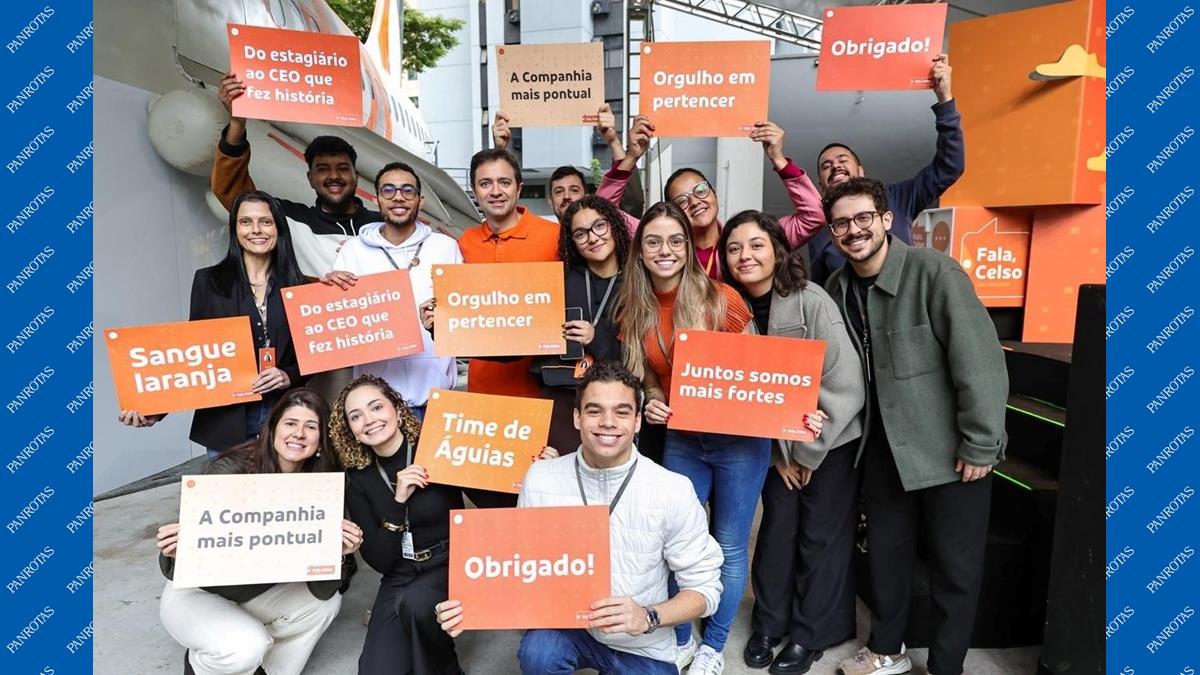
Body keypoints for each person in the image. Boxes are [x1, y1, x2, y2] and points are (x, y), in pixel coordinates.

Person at [822, 178, 1007, 675]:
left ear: (886, 219)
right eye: (841, 223)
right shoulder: (837, 288)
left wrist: (981, 443)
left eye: (864, 218)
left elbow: (980, 363)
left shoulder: (935, 272)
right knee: (885, 559)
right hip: (882, 453)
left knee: (955, 569)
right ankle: (887, 650)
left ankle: (947, 666)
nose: (854, 230)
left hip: (950, 452)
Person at [435, 360, 724, 675]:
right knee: (539, 652)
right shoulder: (541, 478)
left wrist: (647, 616)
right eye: (594, 410)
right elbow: (516, 568)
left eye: (622, 412)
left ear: (638, 421)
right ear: (577, 417)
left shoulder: (673, 489)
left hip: (642, 643)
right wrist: (470, 605)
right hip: (569, 630)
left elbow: (705, 589)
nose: (608, 422)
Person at [613, 201, 797, 674]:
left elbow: (764, 373)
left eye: (676, 240)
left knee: (729, 545)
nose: (665, 250)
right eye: (653, 241)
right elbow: (649, 376)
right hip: (683, 440)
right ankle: (678, 639)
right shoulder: (635, 309)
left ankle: (713, 647)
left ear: (688, 248)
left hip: (740, 444)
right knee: (678, 543)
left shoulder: (723, 299)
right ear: (640, 251)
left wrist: (796, 417)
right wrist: (653, 398)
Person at [719, 211, 865, 674]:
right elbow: (739, 393)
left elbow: (846, 386)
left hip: (831, 442)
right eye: (734, 248)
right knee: (777, 534)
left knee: (820, 538)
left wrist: (805, 453)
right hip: (772, 451)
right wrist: (781, 456)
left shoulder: (811, 301)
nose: (745, 256)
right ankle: (769, 623)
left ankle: (808, 635)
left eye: (756, 245)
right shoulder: (725, 309)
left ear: (778, 251)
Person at [331, 373, 556, 674]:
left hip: (451, 562)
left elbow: (496, 505)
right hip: (400, 572)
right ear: (352, 432)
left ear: (397, 410)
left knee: (416, 603)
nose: (369, 420)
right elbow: (380, 560)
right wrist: (399, 502)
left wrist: (535, 473)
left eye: (376, 407)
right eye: (356, 416)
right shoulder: (357, 478)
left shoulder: (438, 447)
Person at [155, 388, 363, 675]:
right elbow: (177, 569)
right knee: (247, 647)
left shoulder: (324, 488)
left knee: (324, 606)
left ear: (321, 440)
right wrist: (178, 550)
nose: (299, 433)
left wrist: (337, 554)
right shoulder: (232, 469)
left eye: (311, 426)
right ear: (273, 428)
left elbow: (323, 590)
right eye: (291, 423)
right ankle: (203, 663)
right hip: (200, 593)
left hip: (261, 593)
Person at [118, 191, 309, 459]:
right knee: (228, 487)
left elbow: (316, 351)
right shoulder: (209, 282)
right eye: (245, 222)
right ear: (234, 229)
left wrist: (289, 375)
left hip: (285, 415)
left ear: (279, 228)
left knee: (285, 488)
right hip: (226, 421)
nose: (256, 230)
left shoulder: (300, 286)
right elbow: (194, 354)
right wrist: (154, 409)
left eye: (266, 221)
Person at [595, 116, 826, 279]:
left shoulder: (749, 240)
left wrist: (779, 159)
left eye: (701, 190)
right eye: (682, 200)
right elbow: (600, 215)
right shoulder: (657, 241)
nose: (695, 202)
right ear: (673, 212)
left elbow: (814, 215)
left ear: (714, 193)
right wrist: (631, 157)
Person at [320, 161, 463, 421]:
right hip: (376, 407)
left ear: (420, 200)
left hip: (435, 400)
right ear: (376, 199)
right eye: (388, 190)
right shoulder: (353, 250)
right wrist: (329, 293)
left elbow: (462, 317)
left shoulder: (446, 247)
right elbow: (340, 323)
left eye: (407, 190)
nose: (398, 197)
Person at [806, 54, 964, 286]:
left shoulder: (897, 197)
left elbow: (949, 167)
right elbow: (822, 289)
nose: (835, 166)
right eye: (826, 166)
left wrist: (945, 101)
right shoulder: (819, 228)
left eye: (842, 160)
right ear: (821, 184)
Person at [213, 73, 382, 276]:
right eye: (323, 169)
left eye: (343, 168)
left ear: (356, 176)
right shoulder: (289, 219)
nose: (334, 176)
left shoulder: (383, 224)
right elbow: (236, 195)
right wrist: (237, 124)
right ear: (311, 179)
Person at [454, 148, 561, 398]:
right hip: (484, 388)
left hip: (544, 388)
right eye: (485, 183)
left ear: (518, 188)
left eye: (504, 182)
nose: (495, 191)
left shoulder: (555, 237)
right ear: (474, 191)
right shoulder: (464, 243)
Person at [491, 105, 626, 221]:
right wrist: (500, 150)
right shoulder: (541, 237)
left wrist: (613, 140)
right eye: (559, 191)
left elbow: (623, 182)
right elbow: (502, 212)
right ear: (550, 201)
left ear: (586, 197)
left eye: (574, 190)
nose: (566, 197)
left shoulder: (602, 234)